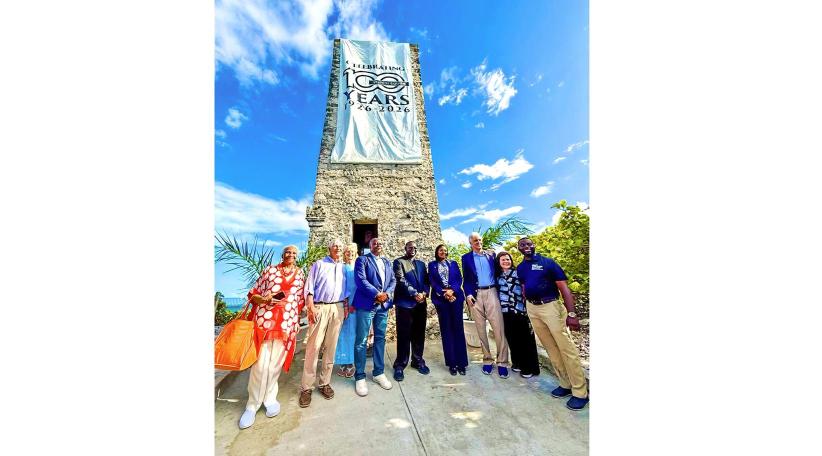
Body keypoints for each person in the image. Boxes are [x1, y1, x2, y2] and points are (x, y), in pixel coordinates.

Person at [516, 237, 589, 411]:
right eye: (522, 245)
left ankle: (580, 392)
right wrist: (528, 305)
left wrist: (571, 314)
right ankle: (565, 384)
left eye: (529, 244)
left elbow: (564, 288)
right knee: (551, 348)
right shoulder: (521, 268)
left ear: (534, 245)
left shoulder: (547, 263)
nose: (526, 247)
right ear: (518, 249)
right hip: (533, 309)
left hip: (551, 306)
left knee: (566, 349)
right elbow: (524, 287)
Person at [239, 245, 305, 429]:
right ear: (282, 254)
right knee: (260, 364)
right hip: (265, 323)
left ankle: (269, 398)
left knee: (275, 364)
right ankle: (252, 405)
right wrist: (265, 299)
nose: (290, 255)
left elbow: (299, 301)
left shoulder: (300, 274)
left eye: (294, 253)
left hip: (287, 324)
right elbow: (253, 294)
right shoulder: (270, 270)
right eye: (288, 252)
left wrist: (297, 320)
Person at [299, 239, 348, 408]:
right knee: (313, 347)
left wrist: (345, 307)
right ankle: (306, 388)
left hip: (338, 307)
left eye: (340, 246)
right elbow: (309, 287)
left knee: (331, 347)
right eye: (335, 245)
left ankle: (324, 383)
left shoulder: (343, 267)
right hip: (320, 307)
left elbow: (346, 290)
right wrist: (310, 307)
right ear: (329, 248)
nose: (338, 248)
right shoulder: (319, 264)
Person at [352, 237, 396, 396]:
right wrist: (377, 294)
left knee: (380, 338)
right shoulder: (362, 260)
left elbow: (392, 280)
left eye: (380, 243)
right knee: (361, 340)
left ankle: (378, 372)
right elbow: (360, 280)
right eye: (374, 243)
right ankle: (360, 376)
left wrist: (387, 294)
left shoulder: (387, 262)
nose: (378, 245)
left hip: (382, 307)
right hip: (366, 305)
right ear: (370, 246)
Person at [461, 232, 509, 378]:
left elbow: (501, 270)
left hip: (492, 291)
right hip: (476, 295)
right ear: (471, 243)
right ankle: (487, 360)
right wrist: (468, 294)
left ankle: (502, 362)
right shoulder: (466, 258)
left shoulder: (491, 254)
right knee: (481, 330)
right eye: (475, 240)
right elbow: (467, 279)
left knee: (498, 328)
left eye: (480, 240)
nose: (478, 242)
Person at [495, 251, 540, 378]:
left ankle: (528, 368)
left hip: (520, 310)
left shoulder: (518, 273)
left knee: (525, 339)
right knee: (512, 338)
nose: (506, 261)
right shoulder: (497, 277)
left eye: (508, 259)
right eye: (503, 260)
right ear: (499, 262)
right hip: (506, 312)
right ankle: (517, 363)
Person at [392, 241, 431, 381]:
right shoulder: (398, 262)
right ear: (405, 249)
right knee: (403, 335)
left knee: (419, 334)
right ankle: (400, 365)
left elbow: (427, 281)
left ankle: (417, 361)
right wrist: (415, 293)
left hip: (421, 304)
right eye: (410, 247)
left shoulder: (421, 264)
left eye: (415, 248)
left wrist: (425, 293)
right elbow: (400, 280)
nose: (412, 249)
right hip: (404, 305)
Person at [428, 244, 469, 375]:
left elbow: (459, 279)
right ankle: (452, 363)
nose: (443, 252)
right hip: (441, 300)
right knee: (446, 331)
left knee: (458, 329)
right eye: (441, 250)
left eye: (445, 250)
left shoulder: (453, 263)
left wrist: (452, 291)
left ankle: (461, 363)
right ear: (437, 252)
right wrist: (443, 292)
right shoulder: (432, 265)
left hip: (456, 298)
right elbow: (432, 281)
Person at [334, 242, 359, 378]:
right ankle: (343, 362)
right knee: (342, 334)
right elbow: (339, 287)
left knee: (354, 334)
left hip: (357, 305)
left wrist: (355, 304)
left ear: (356, 253)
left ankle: (352, 363)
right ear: (344, 254)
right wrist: (344, 303)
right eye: (347, 252)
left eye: (352, 252)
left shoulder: (359, 267)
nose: (350, 254)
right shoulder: (341, 267)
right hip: (344, 304)